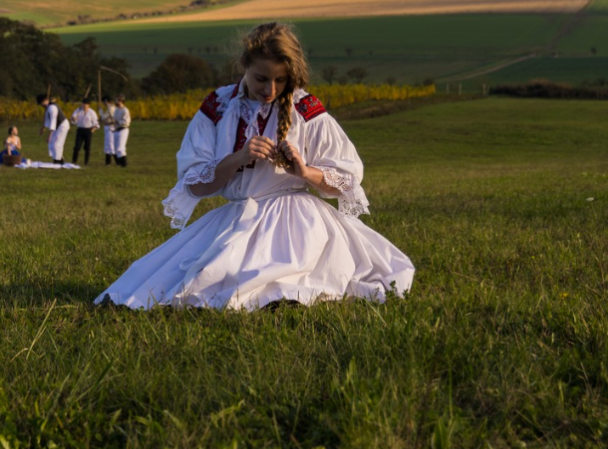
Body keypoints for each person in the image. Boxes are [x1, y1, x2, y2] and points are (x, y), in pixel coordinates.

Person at [94, 22, 414, 310]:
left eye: (280, 80)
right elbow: (194, 182)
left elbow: (347, 179)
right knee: (181, 282)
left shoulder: (305, 107)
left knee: (289, 278)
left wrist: (304, 171)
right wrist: (237, 158)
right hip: (236, 217)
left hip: (300, 222)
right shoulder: (218, 106)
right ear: (244, 66)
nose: (270, 90)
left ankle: (282, 298)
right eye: (261, 78)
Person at [37, 94, 70, 164]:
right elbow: (45, 118)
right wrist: (42, 128)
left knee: (57, 143)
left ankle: (58, 161)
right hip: (57, 126)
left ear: (43, 102)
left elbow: (53, 122)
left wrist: (49, 135)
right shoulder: (48, 108)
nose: (41, 106)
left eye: (40, 104)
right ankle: (58, 158)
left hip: (62, 125)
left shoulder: (52, 108)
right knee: (51, 142)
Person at [71, 98, 100, 165]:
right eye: (83, 104)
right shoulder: (78, 110)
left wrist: (92, 130)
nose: (84, 105)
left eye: (85, 104)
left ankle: (86, 162)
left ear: (88, 105)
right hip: (80, 130)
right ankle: (74, 161)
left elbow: (96, 123)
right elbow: (73, 119)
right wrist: (73, 118)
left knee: (87, 147)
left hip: (88, 130)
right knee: (77, 147)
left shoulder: (92, 112)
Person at [112, 94, 131, 167]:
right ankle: (121, 164)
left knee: (120, 148)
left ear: (120, 101)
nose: (115, 102)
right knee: (117, 149)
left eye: (116, 100)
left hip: (123, 130)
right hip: (117, 130)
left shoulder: (125, 110)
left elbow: (126, 122)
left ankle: (124, 164)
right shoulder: (116, 109)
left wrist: (118, 121)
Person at [99, 95, 117, 166]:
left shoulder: (110, 108)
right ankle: (107, 162)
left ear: (106, 101)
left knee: (111, 145)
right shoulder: (110, 108)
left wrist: (100, 110)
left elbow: (104, 117)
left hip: (110, 127)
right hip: (108, 126)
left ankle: (117, 161)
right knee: (107, 145)